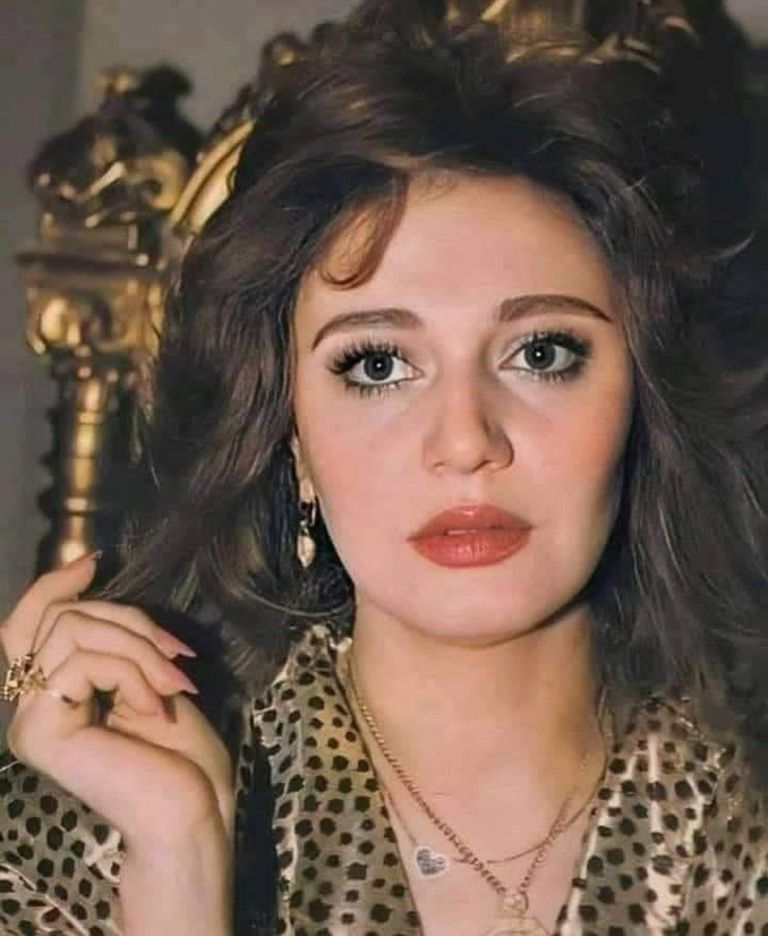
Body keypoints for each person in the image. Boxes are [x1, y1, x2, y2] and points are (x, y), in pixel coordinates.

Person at [1, 2, 766, 934]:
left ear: (647, 401)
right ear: (289, 437)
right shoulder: (82, 836)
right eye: (376, 366)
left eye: (540, 353)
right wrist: (179, 871)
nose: (465, 440)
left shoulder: (742, 821)